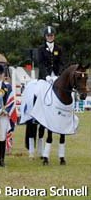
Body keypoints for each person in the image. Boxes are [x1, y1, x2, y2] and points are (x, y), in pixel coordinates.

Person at [37, 25, 66, 165]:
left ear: (54, 36)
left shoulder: (59, 49)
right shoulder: (41, 49)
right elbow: (41, 64)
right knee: (38, 94)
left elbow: (61, 63)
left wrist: (58, 75)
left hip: (57, 78)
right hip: (45, 78)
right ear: (45, 37)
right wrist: (47, 76)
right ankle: (36, 112)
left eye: (52, 35)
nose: (50, 37)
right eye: (48, 36)